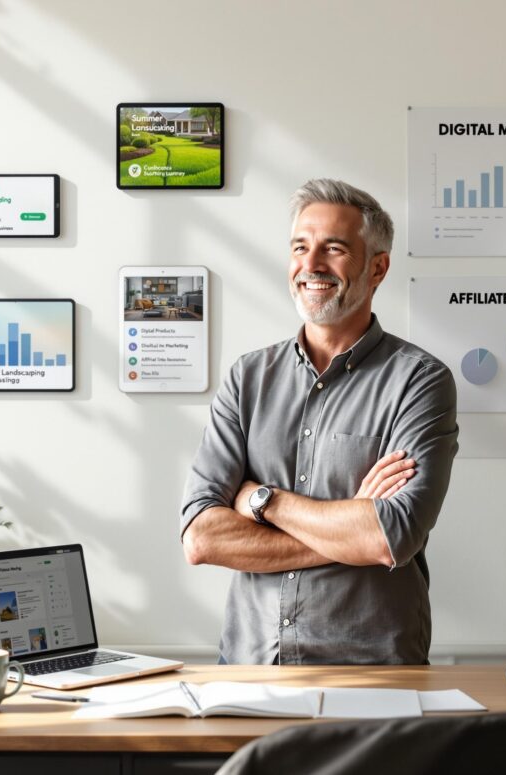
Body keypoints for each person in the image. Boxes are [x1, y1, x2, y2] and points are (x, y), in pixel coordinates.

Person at [180, 179, 459, 665]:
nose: (310, 266)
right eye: (300, 248)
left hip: (374, 676)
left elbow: (390, 536)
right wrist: (345, 528)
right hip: (250, 670)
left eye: (333, 249)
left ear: (377, 267)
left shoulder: (421, 381)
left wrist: (261, 500)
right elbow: (202, 537)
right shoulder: (247, 379)